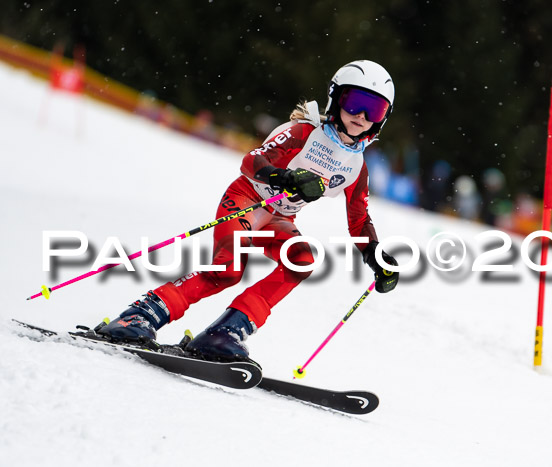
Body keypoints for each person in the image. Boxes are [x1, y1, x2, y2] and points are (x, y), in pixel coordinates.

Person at [96, 60, 400, 361]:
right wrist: (285, 178)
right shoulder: (304, 132)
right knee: (227, 270)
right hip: (248, 200)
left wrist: (374, 254)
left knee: (301, 260)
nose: (361, 115)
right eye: (355, 102)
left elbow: (359, 218)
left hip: (279, 218)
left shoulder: (356, 168)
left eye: (374, 109)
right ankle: (140, 316)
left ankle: (225, 332)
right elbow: (251, 161)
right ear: (336, 99)